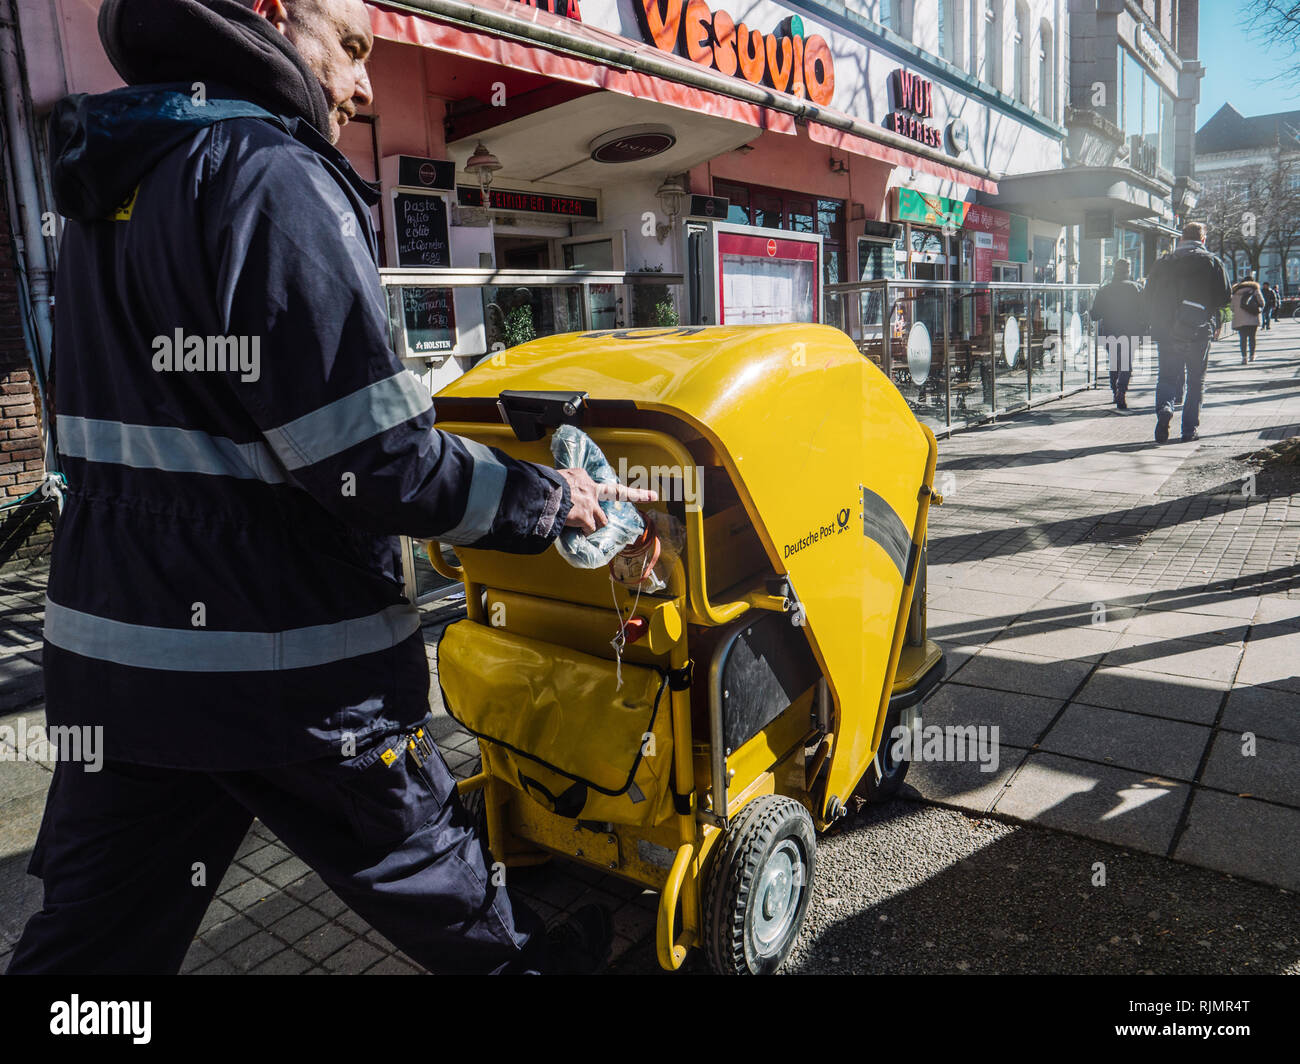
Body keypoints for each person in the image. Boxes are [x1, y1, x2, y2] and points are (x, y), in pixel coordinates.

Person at [8, 0, 655, 976]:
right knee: (433, 878)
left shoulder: (113, 185)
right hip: (285, 667)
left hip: (118, 661)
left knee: (91, 954)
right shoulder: (272, 176)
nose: (359, 89)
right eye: (350, 48)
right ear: (267, 13)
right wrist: (547, 500)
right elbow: (376, 461)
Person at [1142, 222, 1232, 443]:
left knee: (1166, 377)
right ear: (1203, 240)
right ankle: (1189, 430)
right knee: (1195, 380)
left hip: (1165, 332)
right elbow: (1225, 298)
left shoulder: (1163, 263)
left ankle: (1165, 409)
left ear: (1181, 239)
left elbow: (1147, 296)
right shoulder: (1212, 262)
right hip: (1198, 330)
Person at [1089, 258, 1146, 410]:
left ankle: (1115, 391)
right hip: (1130, 331)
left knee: (1114, 361)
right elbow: (1145, 312)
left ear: (1114, 270)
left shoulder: (1105, 290)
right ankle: (1122, 390)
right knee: (1126, 363)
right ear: (1128, 271)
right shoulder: (1137, 288)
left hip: (1110, 330)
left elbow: (1095, 315)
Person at [1230, 272, 1264, 365]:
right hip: (1253, 318)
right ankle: (1252, 356)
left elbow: (1232, 307)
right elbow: (1262, 303)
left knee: (1242, 338)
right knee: (1252, 337)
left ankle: (1244, 358)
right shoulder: (1255, 289)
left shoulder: (1236, 291)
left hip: (1240, 319)